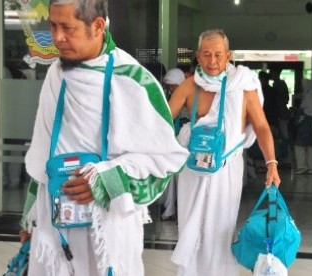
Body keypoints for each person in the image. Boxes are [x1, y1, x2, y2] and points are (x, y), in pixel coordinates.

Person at [20, 1, 189, 275]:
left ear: (97, 26)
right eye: (53, 25)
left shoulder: (133, 80)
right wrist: (30, 218)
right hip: (53, 223)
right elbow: (44, 149)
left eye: (67, 28)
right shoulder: (56, 73)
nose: (57, 38)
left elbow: (167, 160)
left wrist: (105, 181)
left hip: (106, 233)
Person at [168, 29, 281, 276]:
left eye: (218, 55)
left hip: (226, 169)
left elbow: (261, 127)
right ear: (197, 56)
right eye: (206, 55)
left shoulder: (242, 85)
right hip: (193, 170)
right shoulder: (189, 85)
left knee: (221, 230)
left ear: (228, 55)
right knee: (191, 227)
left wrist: (271, 162)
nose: (212, 61)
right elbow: (163, 120)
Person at [160, 68, 187, 221]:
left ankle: (174, 209)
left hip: (184, 147)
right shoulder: (173, 98)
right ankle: (170, 208)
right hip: (174, 145)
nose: (171, 89)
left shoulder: (186, 99)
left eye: (172, 86)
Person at [293, 78, 312, 175]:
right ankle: (311, 167)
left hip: (306, 123)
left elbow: (306, 111)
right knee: (310, 146)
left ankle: (302, 166)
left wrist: (296, 110)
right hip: (311, 123)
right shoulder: (311, 95)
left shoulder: (308, 96)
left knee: (299, 145)